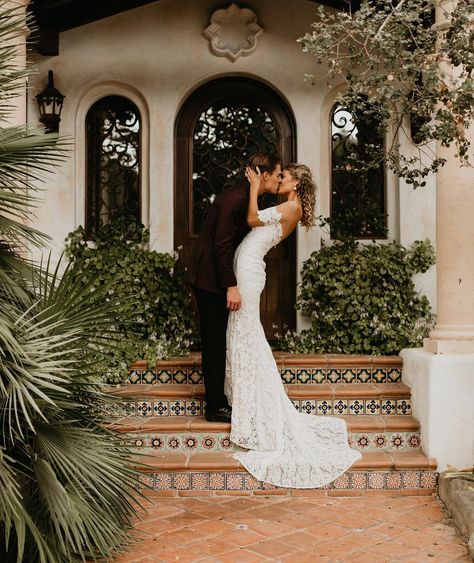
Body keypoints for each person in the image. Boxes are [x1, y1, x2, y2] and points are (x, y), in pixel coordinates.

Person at [225, 163, 361, 488]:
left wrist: (255, 186)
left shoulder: (290, 205)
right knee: (244, 332)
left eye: (284, 177)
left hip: (249, 271)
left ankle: (252, 401)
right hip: (248, 268)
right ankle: (244, 395)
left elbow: (251, 220)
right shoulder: (290, 206)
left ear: (296, 182)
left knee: (246, 332)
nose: (280, 180)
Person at [187, 153, 282, 422]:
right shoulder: (235, 199)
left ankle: (222, 398)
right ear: (264, 175)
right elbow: (222, 245)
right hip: (209, 278)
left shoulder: (250, 197)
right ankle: (215, 406)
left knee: (219, 340)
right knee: (214, 342)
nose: (279, 179)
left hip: (219, 276)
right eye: (277, 174)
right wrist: (231, 285)